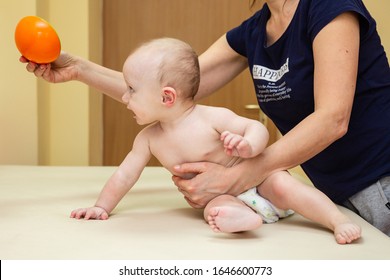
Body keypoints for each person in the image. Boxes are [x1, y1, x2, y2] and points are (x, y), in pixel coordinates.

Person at [21, 0, 390, 236]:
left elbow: (332, 119)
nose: (129, 99)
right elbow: (162, 86)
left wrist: (239, 172)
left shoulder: (328, 7)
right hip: (332, 187)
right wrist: (78, 69)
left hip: (380, 180)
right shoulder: (254, 31)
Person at [67, 38, 360, 243]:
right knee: (215, 207)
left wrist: (248, 145)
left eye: (131, 89)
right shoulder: (148, 139)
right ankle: (243, 219)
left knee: (285, 185)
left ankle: (336, 220)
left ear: (166, 96)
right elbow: (124, 175)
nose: (124, 96)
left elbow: (256, 130)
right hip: (223, 196)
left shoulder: (211, 118)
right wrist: (102, 207)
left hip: (261, 182)